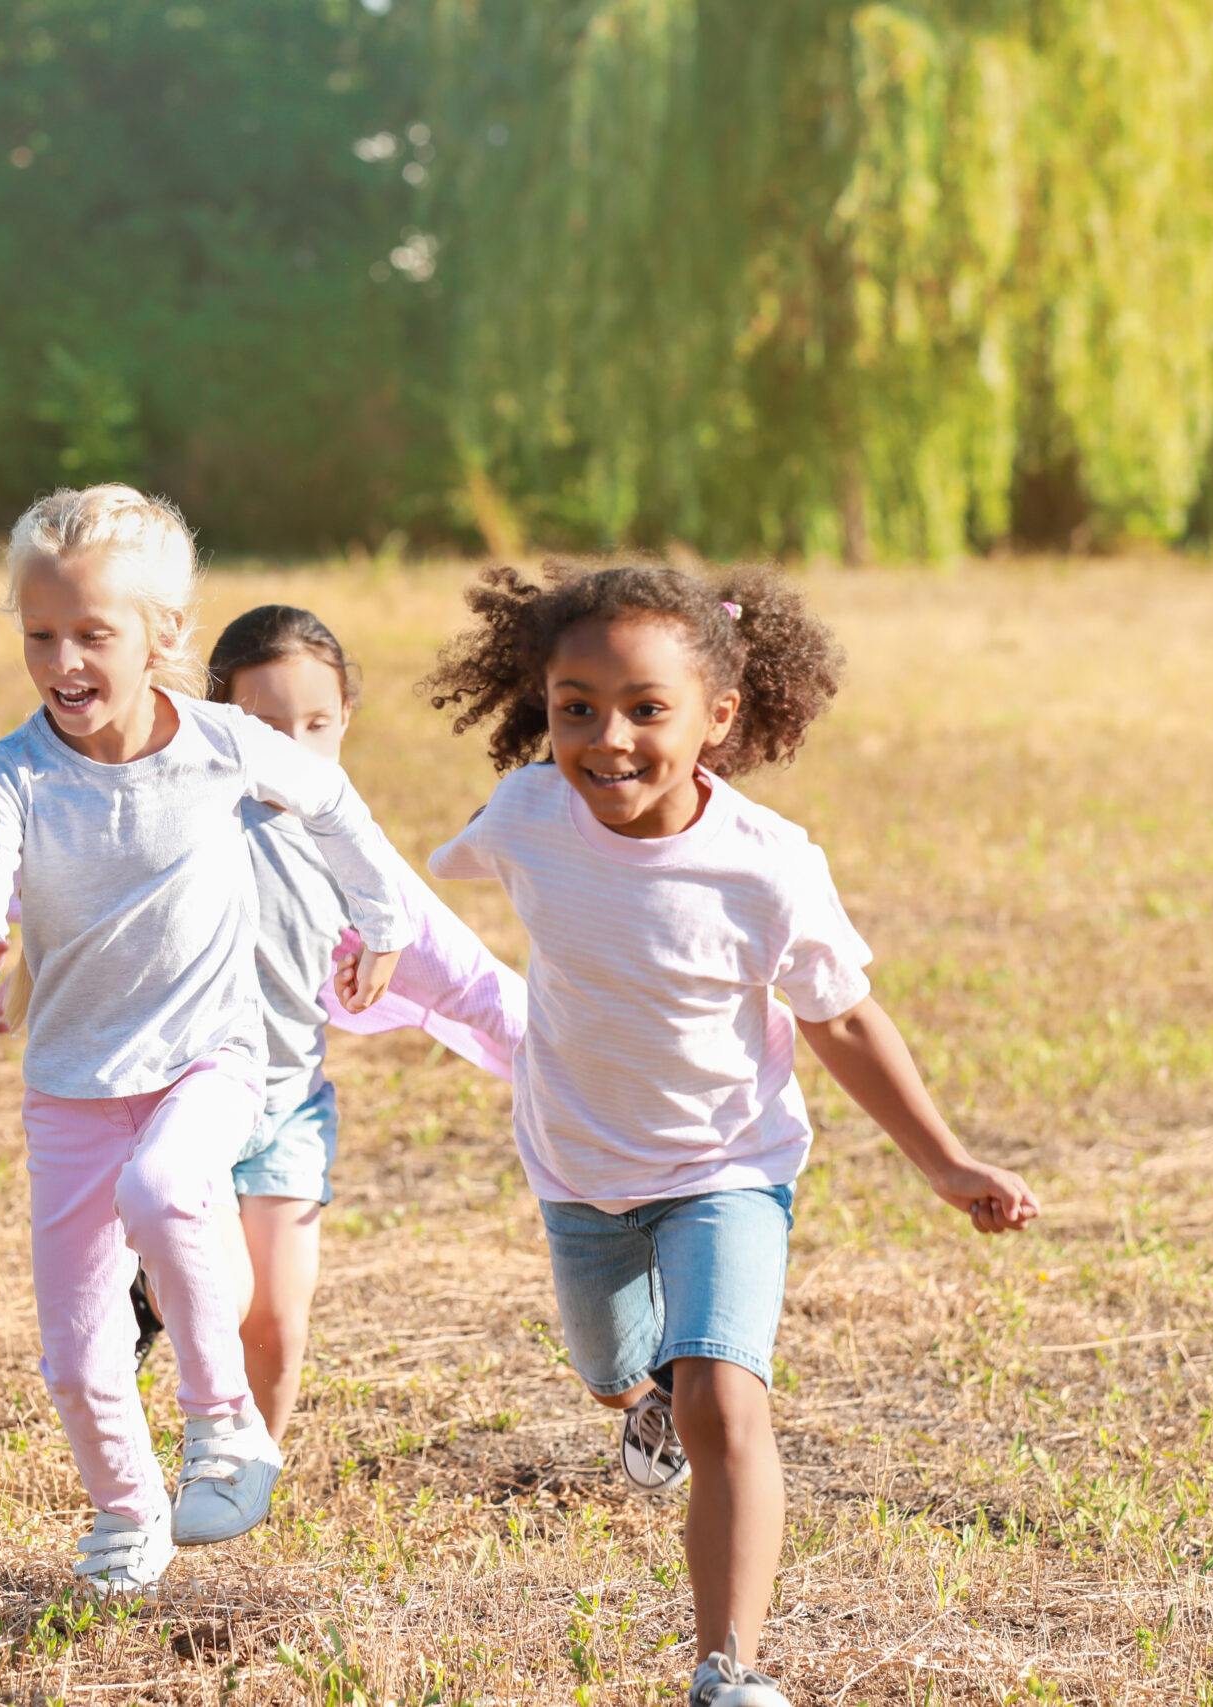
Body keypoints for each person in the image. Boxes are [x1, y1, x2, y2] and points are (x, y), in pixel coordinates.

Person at [422, 560, 1041, 1707]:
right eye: (576, 709)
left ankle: (729, 1668)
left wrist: (947, 1162)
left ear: (717, 717)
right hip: (577, 1164)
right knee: (616, 1373)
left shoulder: (765, 866)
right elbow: (417, 890)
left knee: (724, 1398)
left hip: (727, 1169)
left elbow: (844, 1016)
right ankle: (638, 1405)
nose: (607, 740)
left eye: (646, 710)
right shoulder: (525, 815)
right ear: (543, 705)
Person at [0, 603, 527, 1450]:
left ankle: (245, 1470)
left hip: (289, 1111)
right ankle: (162, 1305)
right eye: (267, 724)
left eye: (316, 724)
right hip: (177, 1100)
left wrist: (568, 1057)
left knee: (278, 1325)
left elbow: (468, 974)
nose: (291, 747)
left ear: (345, 724)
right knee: (234, 1296)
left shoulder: (352, 854)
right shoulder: (169, 805)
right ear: (220, 721)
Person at [0, 487, 408, 1595]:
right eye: (39, 635)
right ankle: (126, 1511)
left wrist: (378, 920)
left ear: (164, 637)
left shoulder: (225, 744)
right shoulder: (17, 769)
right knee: (78, 1352)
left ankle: (223, 1420)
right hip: (70, 1088)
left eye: (93, 634)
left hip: (211, 1062)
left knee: (163, 1192)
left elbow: (335, 807)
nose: (64, 661)